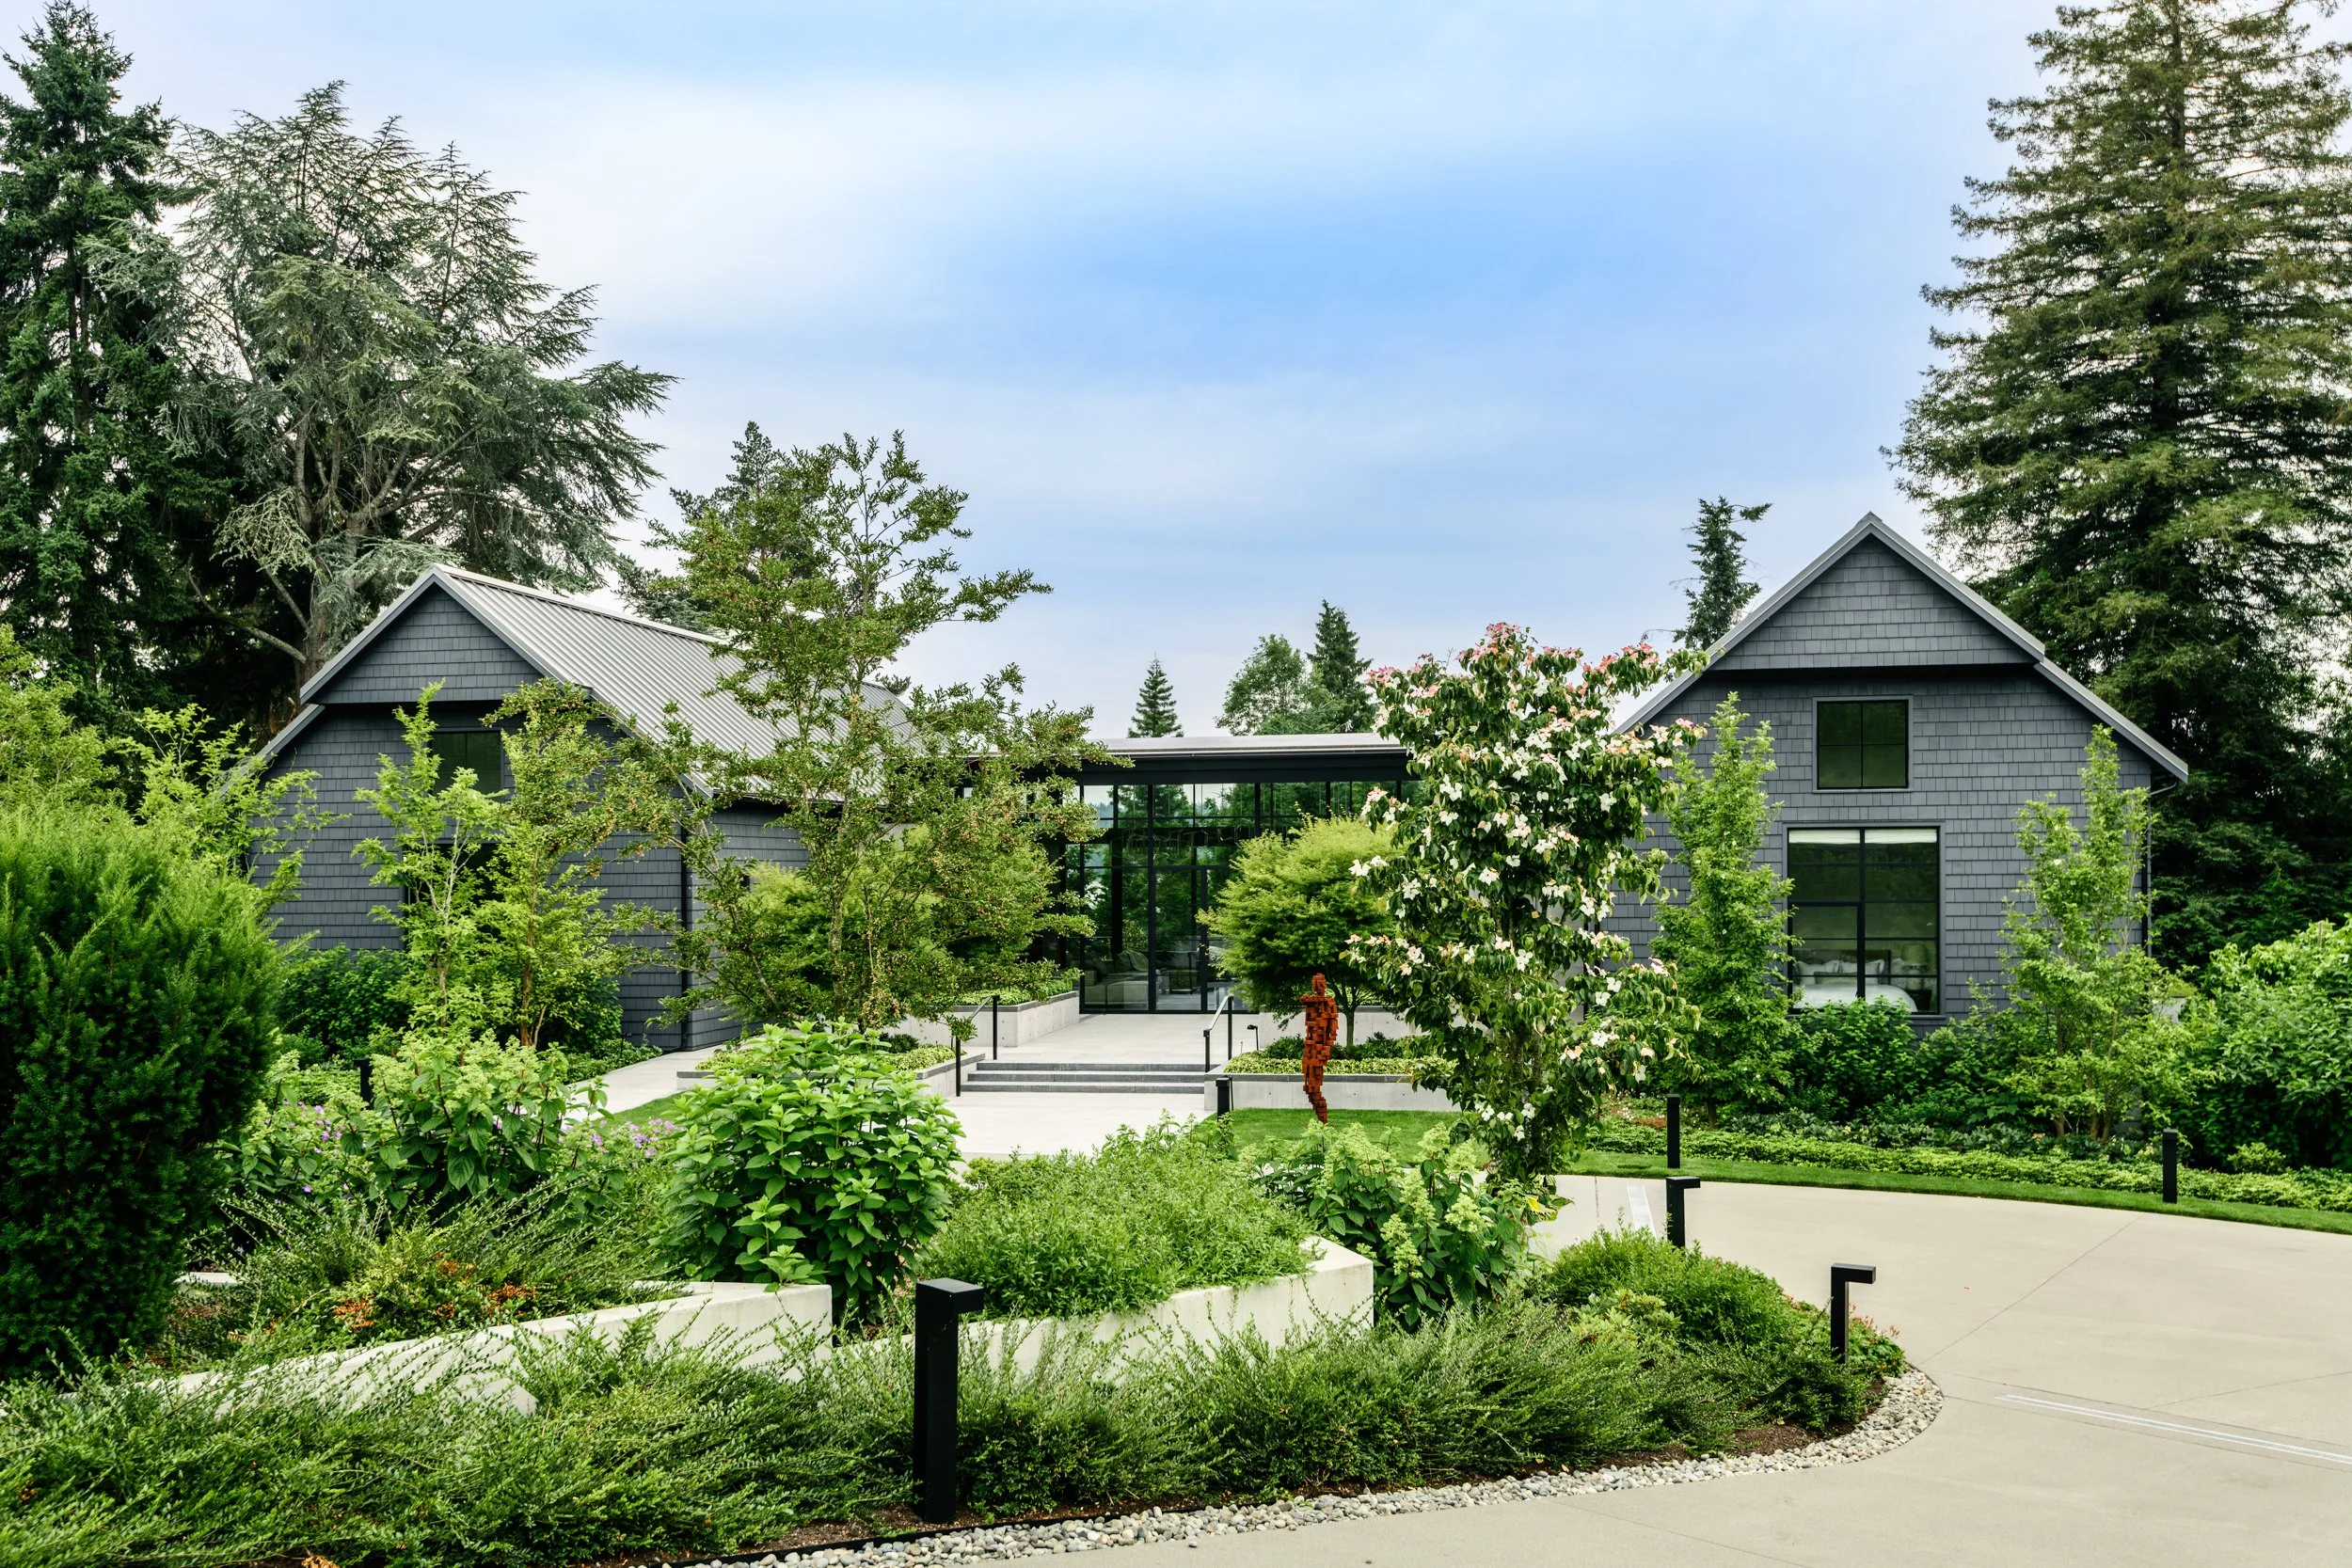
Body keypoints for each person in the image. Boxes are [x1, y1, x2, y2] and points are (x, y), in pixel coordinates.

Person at [1299, 973, 1337, 1124]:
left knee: (1314, 1087)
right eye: (1315, 983)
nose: (1318, 987)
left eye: (1320, 983)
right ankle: (1320, 1118)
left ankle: (1323, 1121)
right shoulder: (1312, 1002)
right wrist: (1307, 1000)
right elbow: (1303, 1000)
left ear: (1325, 985)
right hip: (1310, 1048)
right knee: (1309, 1088)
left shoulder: (1329, 1003)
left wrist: (1326, 1049)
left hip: (1319, 1050)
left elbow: (1333, 1031)